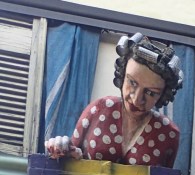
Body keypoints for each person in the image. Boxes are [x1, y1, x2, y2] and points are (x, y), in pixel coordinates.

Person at [45, 32, 183, 167]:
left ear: (163, 95)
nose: (136, 100)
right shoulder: (99, 109)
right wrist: (63, 148)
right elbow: (70, 159)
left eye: (151, 93)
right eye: (132, 82)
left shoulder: (169, 133)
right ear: (122, 75)